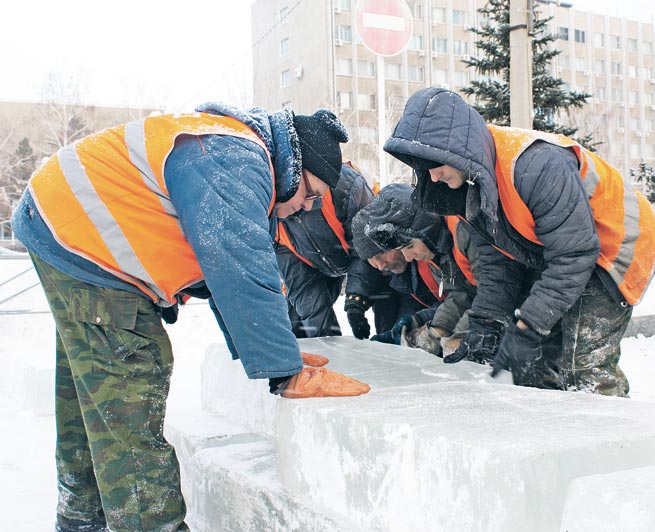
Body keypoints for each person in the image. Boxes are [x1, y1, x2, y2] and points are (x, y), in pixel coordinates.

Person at [11, 103, 370, 532]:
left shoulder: (226, 146)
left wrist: (280, 357)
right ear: (295, 168)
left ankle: (82, 518)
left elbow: (219, 272)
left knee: (93, 390)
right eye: (310, 194)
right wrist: (286, 372)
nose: (306, 207)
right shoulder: (237, 158)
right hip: (82, 242)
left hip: (63, 230)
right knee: (130, 387)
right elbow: (239, 266)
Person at [383, 87, 655, 397]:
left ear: (453, 149)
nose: (432, 177)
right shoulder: (473, 190)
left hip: (613, 244)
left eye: (436, 164)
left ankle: (610, 438)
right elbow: (497, 262)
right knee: (534, 364)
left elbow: (575, 254)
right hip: (559, 252)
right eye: (425, 170)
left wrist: (529, 326)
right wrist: (485, 324)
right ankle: (556, 437)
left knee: (583, 367)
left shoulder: (536, 165)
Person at [351, 183, 482, 357]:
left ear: (423, 230)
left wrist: (457, 338)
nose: (408, 258)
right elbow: (461, 294)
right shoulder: (434, 252)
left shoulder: (463, 233)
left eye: (409, 246)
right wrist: (436, 330)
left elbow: (495, 293)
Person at [275, 159, 379, 338]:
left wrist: (356, 299)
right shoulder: (273, 221)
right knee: (299, 328)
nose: (307, 205)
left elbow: (365, 248)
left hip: (375, 257)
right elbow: (302, 283)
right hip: (314, 264)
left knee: (387, 315)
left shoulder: (346, 187)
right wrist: (327, 341)